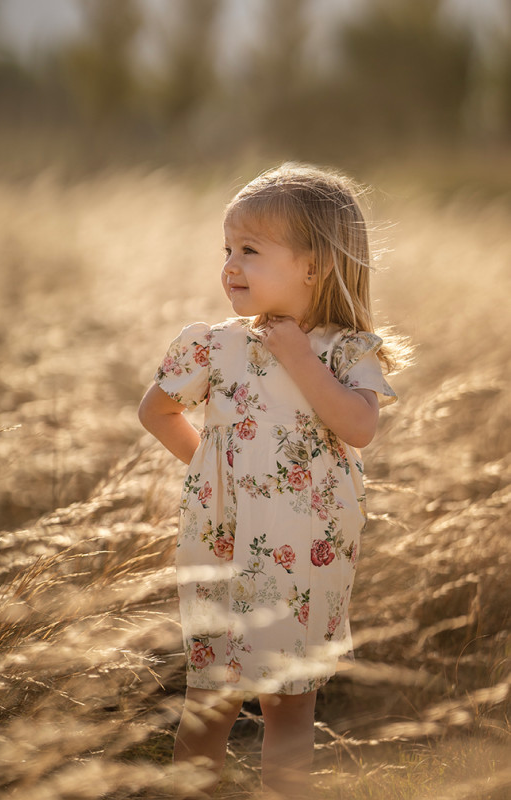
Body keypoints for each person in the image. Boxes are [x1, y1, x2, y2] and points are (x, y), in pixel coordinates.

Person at [139, 162, 404, 798]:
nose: (230, 264)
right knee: (211, 696)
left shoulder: (345, 351)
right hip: (224, 544)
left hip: (306, 551)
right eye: (227, 249)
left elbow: (359, 427)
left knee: (290, 702)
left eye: (250, 250)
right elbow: (156, 411)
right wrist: (218, 475)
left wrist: (299, 358)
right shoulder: (215, 346)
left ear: (313, 266)